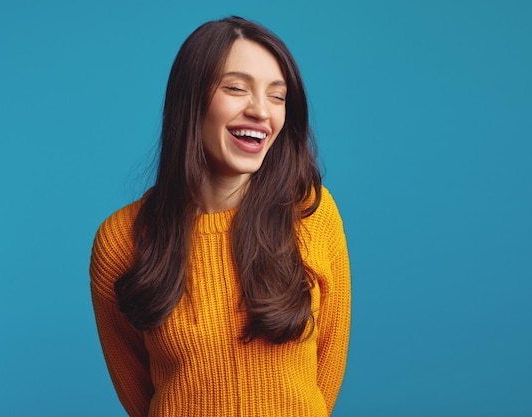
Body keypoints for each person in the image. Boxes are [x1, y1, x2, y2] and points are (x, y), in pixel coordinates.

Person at [89, 16, 351, 417]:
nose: (261, 111)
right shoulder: (121, 240)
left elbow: (327, 369)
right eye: (235, 88)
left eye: (278, 97)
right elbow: (138, 394)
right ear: (190, 100)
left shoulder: (312, 213)